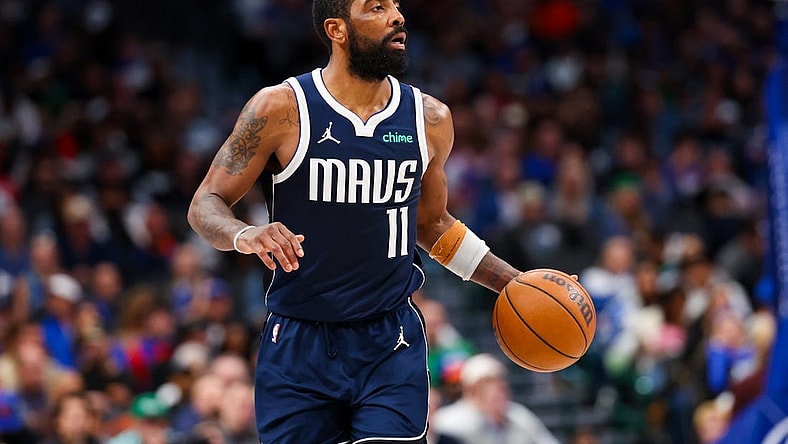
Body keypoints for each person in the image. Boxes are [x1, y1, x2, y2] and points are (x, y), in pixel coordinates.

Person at [187, 0, 526, 442]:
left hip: (389, 340)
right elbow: (205, 202)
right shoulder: (281, 108)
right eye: (377, 7)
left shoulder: (430, 120)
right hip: (298, 339)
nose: (398, 16)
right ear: (338, 29)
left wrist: (514, 283)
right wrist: (244, 233)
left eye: (397, 6)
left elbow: (432, 225)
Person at [431, 353, 559, 444]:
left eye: (499, 382)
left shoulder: (519, 415)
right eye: (485, 384)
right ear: (470, 389)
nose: (495, 390)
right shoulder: (446, 421)